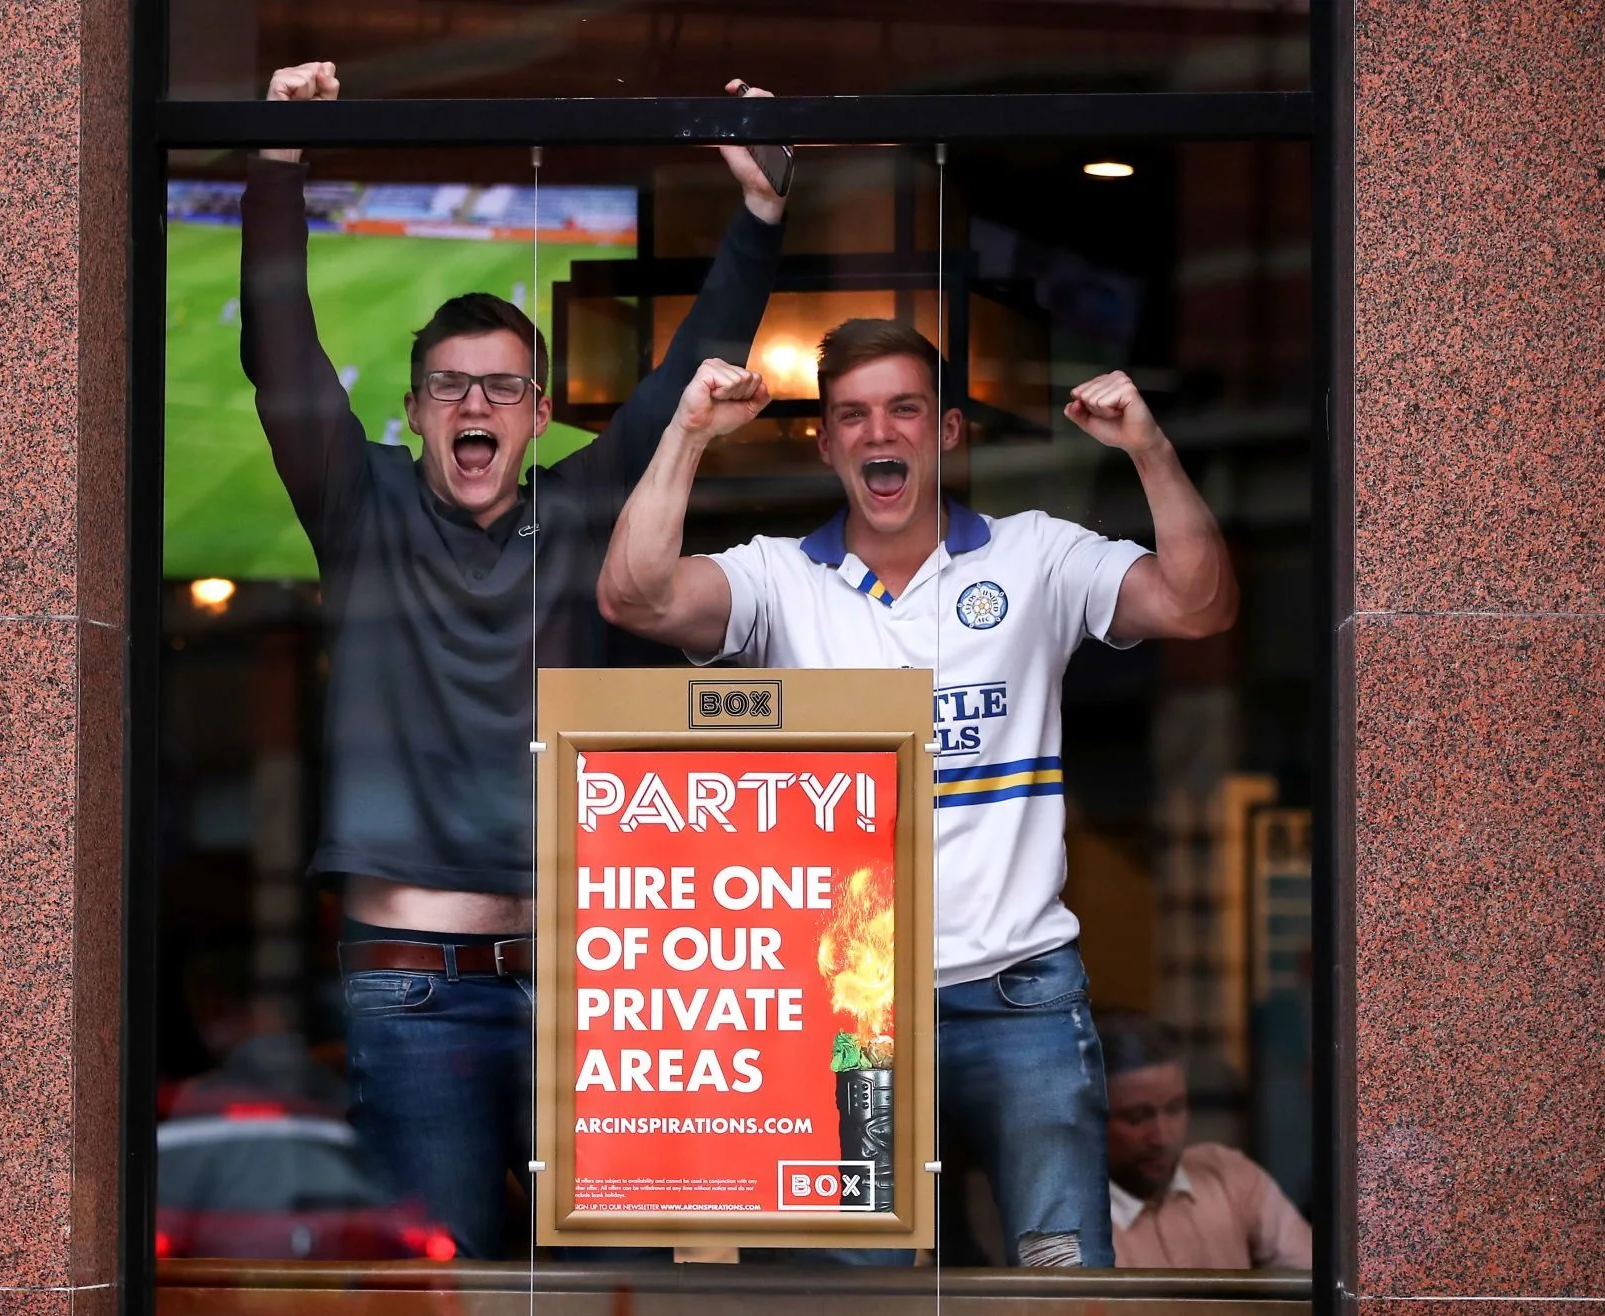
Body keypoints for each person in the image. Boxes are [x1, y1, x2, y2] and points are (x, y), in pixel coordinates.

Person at [241, 61, 788, 1258]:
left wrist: (755, 219)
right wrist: (273, 159)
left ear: (538, 414)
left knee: (610, 1284)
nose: (473, 405)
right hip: (412, 986)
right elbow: (279, 354)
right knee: (447, 1287)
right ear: (413, 408)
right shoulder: (360, 503)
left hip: (586, 981)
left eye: (500, 387)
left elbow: (677, 383)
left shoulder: (585, 501)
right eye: (450, 387)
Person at [596, 320, 1238, 1267]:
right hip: (849, 1011)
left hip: (1020, 990)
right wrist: (688, 432)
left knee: (1059, 1283)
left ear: (945, 432)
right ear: (825, 445)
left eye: (902, 409)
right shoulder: (779, 576)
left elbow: (1199, 601)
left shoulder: (1034, 556)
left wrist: (1148, 447)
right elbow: (635, 595)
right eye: (851, 416)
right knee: (858, 1292)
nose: (876, 432)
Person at [1098, 1012, 1312, 1270]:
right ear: (1093, 1119)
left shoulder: (1229, 1175)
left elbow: (1314, 1279)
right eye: (1137, 1118)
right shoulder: (1068, 1223)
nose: (1162, 1137)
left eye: (1175, 1108)